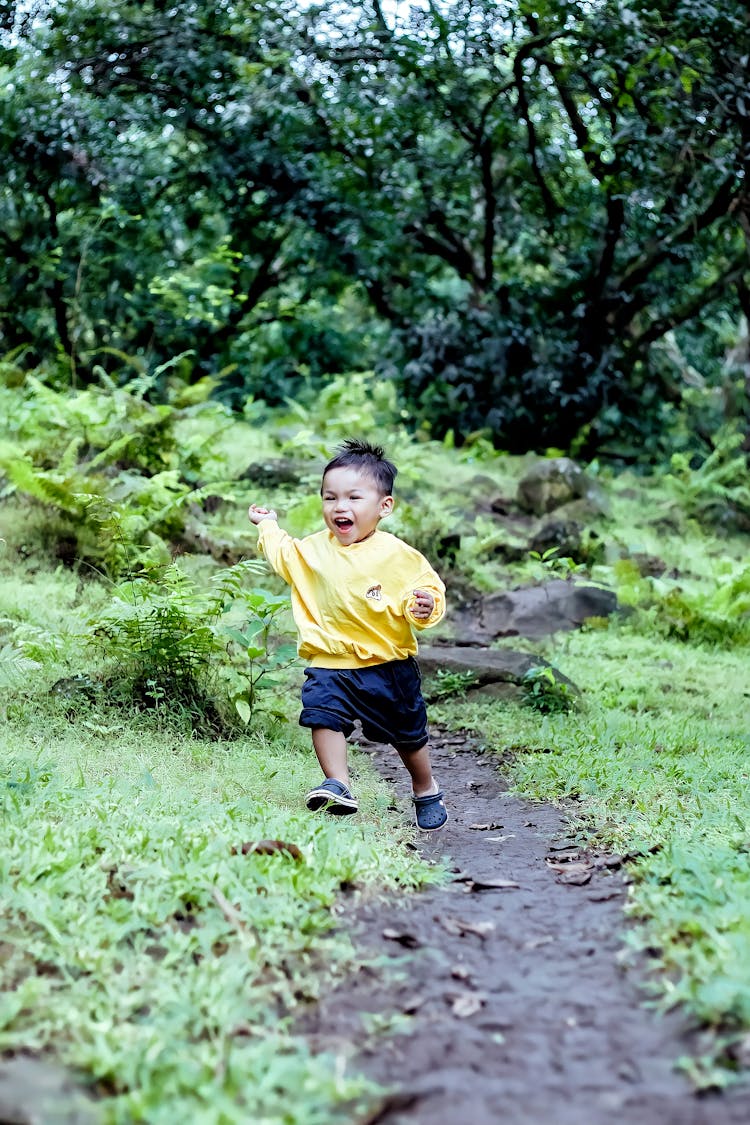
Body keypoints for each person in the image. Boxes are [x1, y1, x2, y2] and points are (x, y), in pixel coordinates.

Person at [247, 438, 448, 831]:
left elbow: (427, 590)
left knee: (408, 735)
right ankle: (337, 783)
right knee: (323, 714)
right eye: (330, 497)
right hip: (330, 661)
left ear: (383, 506)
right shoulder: (314, 551)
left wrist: (424, 607)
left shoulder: (399, 556)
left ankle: (425, 787)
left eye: (354, 498)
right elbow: (283, 553)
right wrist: (268, 524)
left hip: (388, 664)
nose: (340, 507)